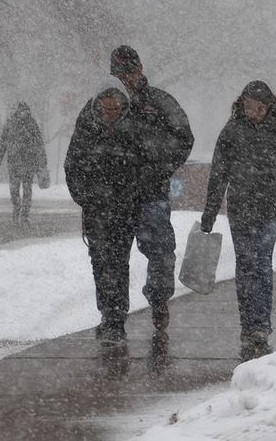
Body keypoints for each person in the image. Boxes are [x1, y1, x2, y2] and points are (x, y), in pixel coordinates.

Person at [200, 80, 276, 360]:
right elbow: (218, 174)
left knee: (262, 263)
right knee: (246, 265)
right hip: (241, 210)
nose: (252, 113)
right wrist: (210, 213)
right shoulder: (232, 132)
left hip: (269, 211)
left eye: (257, 108)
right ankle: (249, 324)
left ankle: (261, 325)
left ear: (267, 107)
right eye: (247, 107)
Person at [109, 45, 194, 338]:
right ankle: (113, 318)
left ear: (140, 69)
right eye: (120, 75)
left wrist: (160, 166)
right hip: (115, 195)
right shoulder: (106, 105)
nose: (126, 80)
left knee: (160, 250)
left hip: (151, 193)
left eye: (130, 73)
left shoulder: (159, 101)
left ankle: (159, 301)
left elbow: (184, 137)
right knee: (113, 257)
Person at [64, 77, 144, 346]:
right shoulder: (85, 125)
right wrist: (85, 197)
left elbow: (144, 162)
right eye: (107, 108)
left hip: (124, 208)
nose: (112, 113)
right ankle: (107, 315)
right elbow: (72, 164)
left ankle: (116, 319)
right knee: (100, 261)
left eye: (116, 108)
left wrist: (132, 191)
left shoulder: (133, 127)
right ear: (98, 106)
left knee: (119, 262)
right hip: (96, 209)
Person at [0, 102, 47, 225]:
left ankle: (24, 214)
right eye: (22, 111)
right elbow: (3, 142)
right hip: (15, 164)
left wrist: (42, 162)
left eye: (26, 111)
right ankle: (17, 208)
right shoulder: (11, 124)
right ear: (18, 112)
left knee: (27, 189)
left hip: (28, 164)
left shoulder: (32, 124)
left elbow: (39, 144)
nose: (25, 113)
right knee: (15, 189)